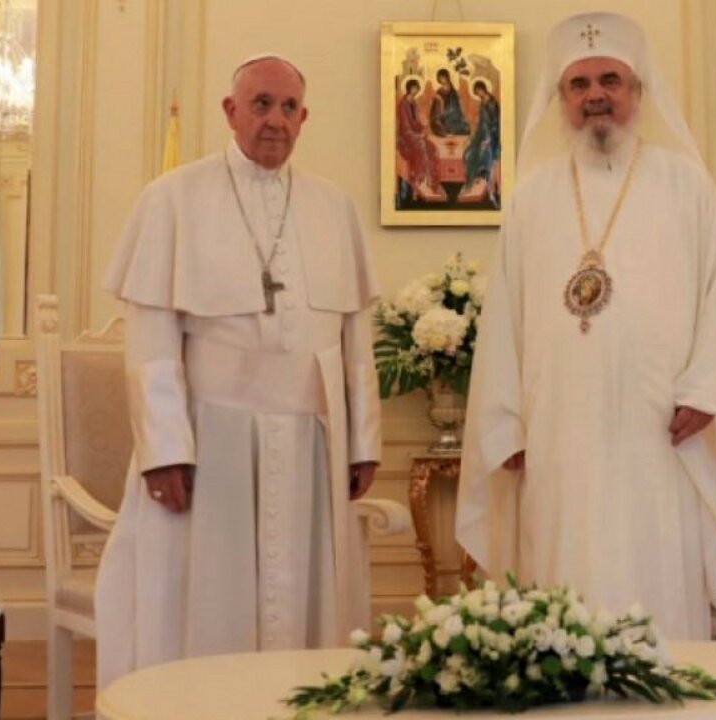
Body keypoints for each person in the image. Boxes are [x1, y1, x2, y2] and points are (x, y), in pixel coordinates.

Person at [456, 12, 716, 640]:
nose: (595, 95)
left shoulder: (686, 183)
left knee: (655, 572)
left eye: (610, 80)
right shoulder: (531, 197)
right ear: (561, 98)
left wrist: (708, 390)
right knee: (563, 576)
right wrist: (505, 419)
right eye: (578, 84)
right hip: (556, 433)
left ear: (637, 92)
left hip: (660, 429)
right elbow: (505, 320)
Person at [94, 55, 382, 687]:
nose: (274, 120)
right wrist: (165, 448)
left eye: (288, 108)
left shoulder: (333, 207)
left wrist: (363, 442)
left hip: (312, 438)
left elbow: (355, 336)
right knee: (209, 593)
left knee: (304, 595)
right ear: (230, 111)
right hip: (210, 433)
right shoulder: (171, 198)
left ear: (304, 118)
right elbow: (151, 335)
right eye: (261, 104)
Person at [395, 77, 443, 203]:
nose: (416, 90)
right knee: (421, 145)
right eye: (414, 88)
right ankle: (420, 180)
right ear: (409, 88)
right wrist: (418, 135)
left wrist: (422, 127)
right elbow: (405, 126)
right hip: (405, 137)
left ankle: (431, 182)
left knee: (432, 147)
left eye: (417, 88)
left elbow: (415, 122)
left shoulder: (413, 102)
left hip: (414, 134)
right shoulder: (402, 104)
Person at [459, 79, 501, 204]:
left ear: (483, 89)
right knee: (468, 153)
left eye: (479, 91)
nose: (479, 94)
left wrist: (488, 139)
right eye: (476, 92)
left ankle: (488, 188)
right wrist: (472, 137)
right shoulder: (483, 102)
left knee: (484, 155)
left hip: (492, 138)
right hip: (481, 135)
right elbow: (481, 123)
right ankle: (471, 182)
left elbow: (495, 124)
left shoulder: (492, 103)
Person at [429, 68, 470, 137]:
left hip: (453, 117)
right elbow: (436, 110)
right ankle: (446, 129)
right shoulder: (439, 91)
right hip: (443, 116)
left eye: (443, 78)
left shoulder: (453, 91)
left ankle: (449, 129)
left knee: (466, 127)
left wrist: (456, 114)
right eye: (440, 78)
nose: (442, 80)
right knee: (439, 125)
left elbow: (456, 107)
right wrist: (441, 102)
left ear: (447, 77)